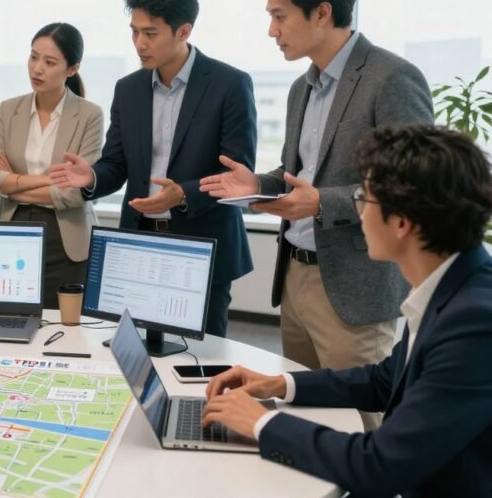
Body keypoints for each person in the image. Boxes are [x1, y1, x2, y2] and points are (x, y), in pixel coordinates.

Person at [199, 0, 434, 423]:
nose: (272, 30)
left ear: (322, 12)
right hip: (296, 277)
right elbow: (299, 170)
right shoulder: (300, 88)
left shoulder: (391, 77)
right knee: (304, 410)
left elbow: (412, 183)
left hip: (354, 285)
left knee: (362, 425)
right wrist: (258, 182)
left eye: (279, 16)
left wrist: (321, 202)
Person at [201, 125, 492, 498]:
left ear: (402, 222)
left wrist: (263, 423)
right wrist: (279, 384)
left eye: (362, 198)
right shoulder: (451, 285)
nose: (357, 211)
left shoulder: (473, 323)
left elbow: (379, 466)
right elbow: (385, 381)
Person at [49, 0, 257, 336]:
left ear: (184, 31)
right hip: (139, 244)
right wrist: (93, 178)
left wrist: (184, 195)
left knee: (199, 359)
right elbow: (116, 164)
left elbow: (237, 175)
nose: (140, 43)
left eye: (151, 33)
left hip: (201, 247)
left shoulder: (229, 84)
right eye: (134, 32)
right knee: (136, 351)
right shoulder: (128, 89)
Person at [0, 23, 103, 308]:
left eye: (49, 62)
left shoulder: (89, 115)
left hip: (66, 238)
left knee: (65, 329)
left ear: (72, 69)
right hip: (12, 227)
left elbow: (75, 192)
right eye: (33, 57)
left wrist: (12, 183)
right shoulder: (8, 110)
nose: (37, 68)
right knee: (7, 318)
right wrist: (49, 180)